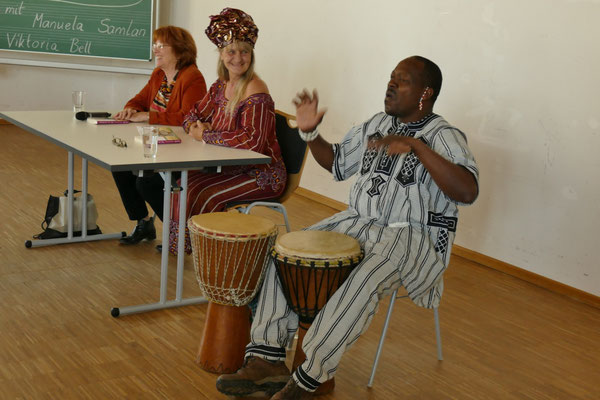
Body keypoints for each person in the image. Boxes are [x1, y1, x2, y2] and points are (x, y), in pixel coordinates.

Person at [215, 56, 479, 399]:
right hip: (356, 220)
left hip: (411, 235)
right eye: (390, 78)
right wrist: (310, 133)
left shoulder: (444, 135)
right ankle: (267, 358)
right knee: (286, 252)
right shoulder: (377, 123)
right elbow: (337, 162)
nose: (390, 85)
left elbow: (467, 191)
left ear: (425, 93)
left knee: (363, 281)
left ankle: (309, 379)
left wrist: (415, 146)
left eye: (401, 81)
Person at [168, 8, 286, 255]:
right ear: (221, 55)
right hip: (232, 167)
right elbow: (192, 114)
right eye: (231, 51)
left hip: (262, 174)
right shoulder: (220, 86)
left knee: (198, 190)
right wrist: (194, 127)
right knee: (182, 183)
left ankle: (206, 254)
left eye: (244, 51)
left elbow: (252, 142)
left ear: (251, 55)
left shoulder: (256, 90)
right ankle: (184, 250)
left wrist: (206, 135)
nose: (238, 57)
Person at [112, 26, 207, 245]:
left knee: (147, 183)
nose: (156, 50)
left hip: (181, 149)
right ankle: (143, 222)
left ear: (180, 49)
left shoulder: (192, 77)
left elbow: (187, 117)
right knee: (121, 167)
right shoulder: (159, 75)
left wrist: (149, 117)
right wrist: (131, 110)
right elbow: (139, 100)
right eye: (155, 45)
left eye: (161, 45)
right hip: (157, 143)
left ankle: (179, 233)